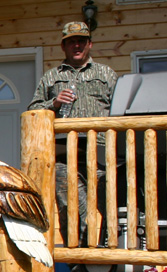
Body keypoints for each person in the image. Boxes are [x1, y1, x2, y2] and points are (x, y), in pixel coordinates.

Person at [27, 21, 118, 252]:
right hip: (63, 151)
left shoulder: (106, 74)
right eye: (71, 42)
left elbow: (120, 108)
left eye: (81, 41)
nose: (76, 45)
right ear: (64, 46)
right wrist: (54, 103)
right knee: (70, 206)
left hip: (100, 150)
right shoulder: (51, 77)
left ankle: (110, 253)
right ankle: (78, 257)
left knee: (110, 203)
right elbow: (34, 110)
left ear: (89, 44)